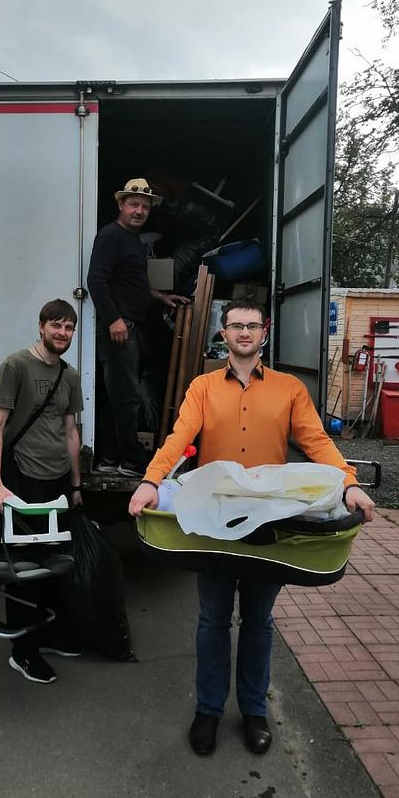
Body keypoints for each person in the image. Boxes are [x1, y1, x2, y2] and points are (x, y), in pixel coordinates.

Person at [129, 298, 375, 756]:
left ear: (265, 332)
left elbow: (318, 442)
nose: (244, 332)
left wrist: (349, 485)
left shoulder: (290, 389)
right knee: (212, 619)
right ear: (223, 333)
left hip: (268, 522)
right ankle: (208, 711)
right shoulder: (202, 387)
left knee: (259, 621)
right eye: (236, 325)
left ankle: (255, 712)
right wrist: (151, 481)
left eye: (252, 325)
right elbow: (179, 439)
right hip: (215, 521)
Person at [0, 298, 84, 684]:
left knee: (52, 563)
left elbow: (71, 431)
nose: (62, 333)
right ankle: (22, 652)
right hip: (22, 477)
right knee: (24, 566)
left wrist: (75, 484)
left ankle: (46, 635)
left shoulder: (69, 375)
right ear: (41, 326)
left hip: (57, 480)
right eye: (56, 325)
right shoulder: (16, 366)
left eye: (69, 327)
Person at [87, 177, 189, 477]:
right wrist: (114, 319)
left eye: (145, 206)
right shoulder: (111, 236)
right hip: (121, 327)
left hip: (129, 324)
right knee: (126, 398)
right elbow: (96, 280)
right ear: (121, 205)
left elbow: (130, 282)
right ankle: (131, 462)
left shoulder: (131, 239)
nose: (139, 211)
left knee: (117, 394)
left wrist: (158, 296)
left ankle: (108, 458)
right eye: (134, 204)